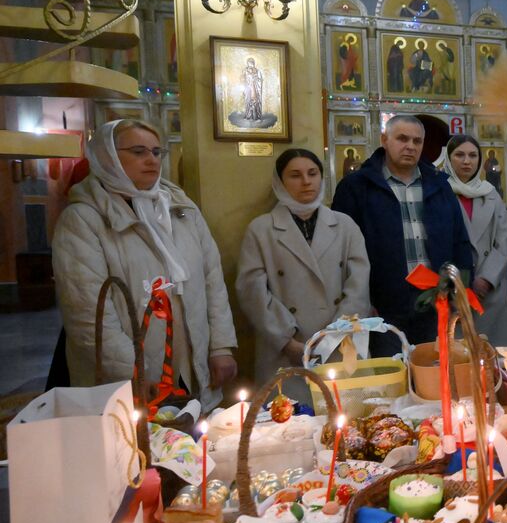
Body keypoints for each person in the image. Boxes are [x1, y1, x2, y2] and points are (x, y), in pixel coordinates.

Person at [53, 119, 238, 411]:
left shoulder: (181, 209)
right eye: (138, 151)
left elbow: (212, 281)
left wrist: (220, 347)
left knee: (193, 447)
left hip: (191, 366)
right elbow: (89, 315)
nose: (151, 160)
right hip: (130, 379)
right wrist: (135, 373)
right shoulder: (83, 220)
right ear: (107, 156)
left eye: (156, 152)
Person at [331, 114, 474, 345]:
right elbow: (342, 252)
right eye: (402, 139)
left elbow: (459, 242)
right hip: (382, 306)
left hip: (434, 302)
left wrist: (458, 291)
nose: (410, 146)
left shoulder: (439, 185)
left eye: (417, 141)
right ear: (384, 139)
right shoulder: (357, 187)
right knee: (390, 374)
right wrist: (360, 302)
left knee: (434, 373)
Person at [236, 149, 371, 384]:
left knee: (346, 414)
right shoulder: (261, 230)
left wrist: (334, 335)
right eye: (295, 175)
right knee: (291, 416)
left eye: (313, 173)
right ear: (280, 181)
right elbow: (253, 294)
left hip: (341, 343)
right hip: (287, 348)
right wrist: (287, 341)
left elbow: (358, 285)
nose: (306, 181)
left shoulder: (344, 225)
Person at [440, 135, 507, 347]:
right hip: (455, 291)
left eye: (473, 155)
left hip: (490, 291)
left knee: (493, 356)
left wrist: (487, 278)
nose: (467, 161)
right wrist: (457, 282)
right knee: (460, 359)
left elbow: (504, 239)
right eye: (459, 155)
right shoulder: (440, 192)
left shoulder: (491, 194)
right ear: (449, 158)